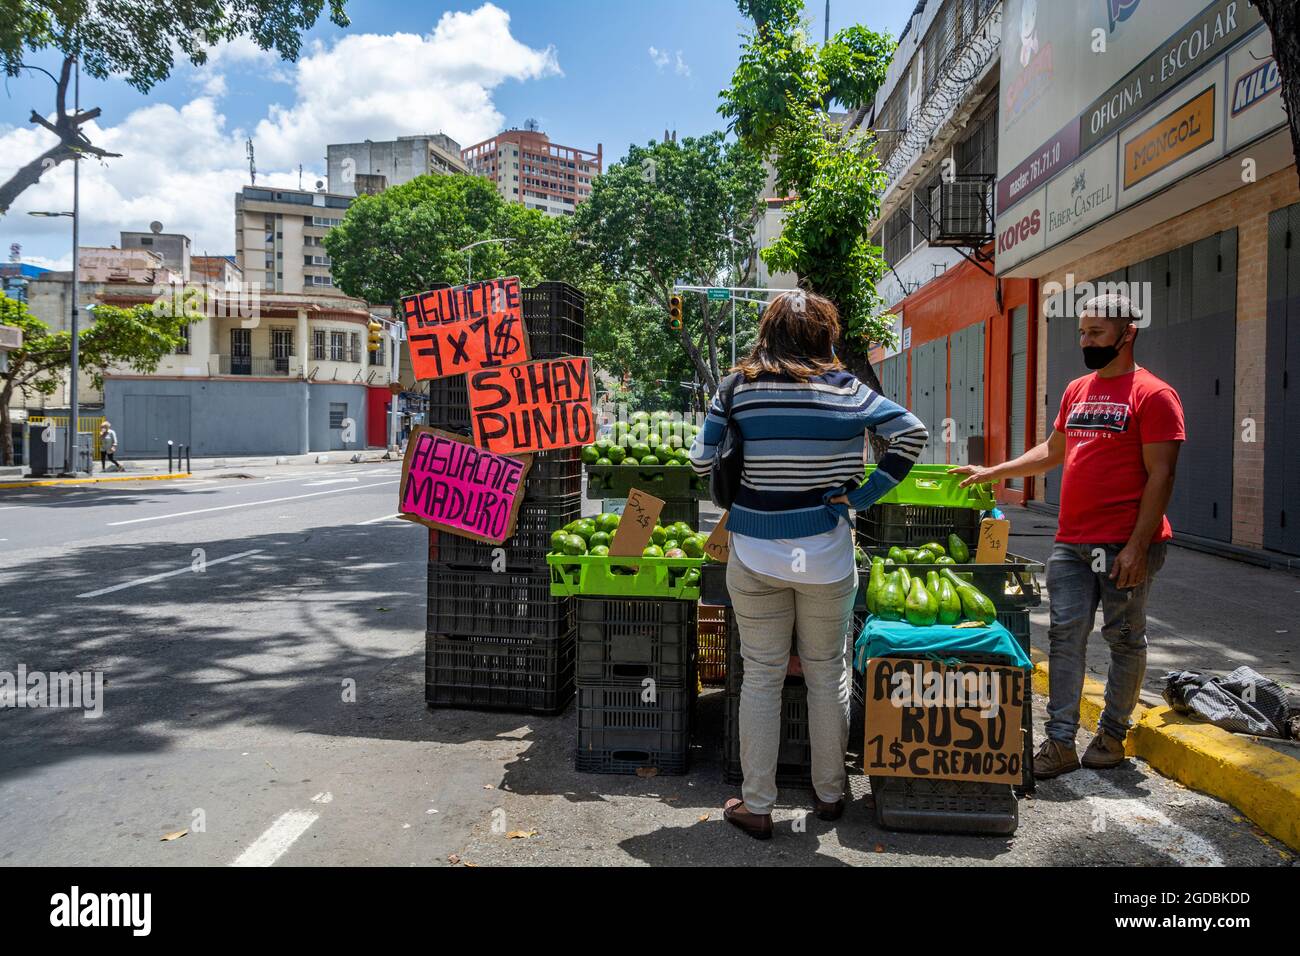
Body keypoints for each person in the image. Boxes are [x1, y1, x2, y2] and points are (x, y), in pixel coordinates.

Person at [688, 290, 928, 839]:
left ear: (768, 331)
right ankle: (829, 794)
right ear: (825, 334)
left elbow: (702, 459)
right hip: (826, 557)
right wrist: (865, 495)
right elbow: (911, 432)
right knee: (827, 674)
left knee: (762, 678)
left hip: (755, 553)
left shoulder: (736, 388)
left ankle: (757, 804)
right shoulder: (850, 391)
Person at [951, 292, 1184, 779]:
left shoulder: (1154, 395)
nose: (1086, 341)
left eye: (1096, 333)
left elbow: (1161, 476)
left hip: (1125, 545)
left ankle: (1113, 735)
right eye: (1082, 332)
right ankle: (1059, 742)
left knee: (1123, 639)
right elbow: (1052, 451)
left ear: (1127, 333)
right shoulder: (1078, 389)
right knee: (1064, 637)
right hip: (1071, 542)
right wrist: (995, 470)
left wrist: (1139, 547)